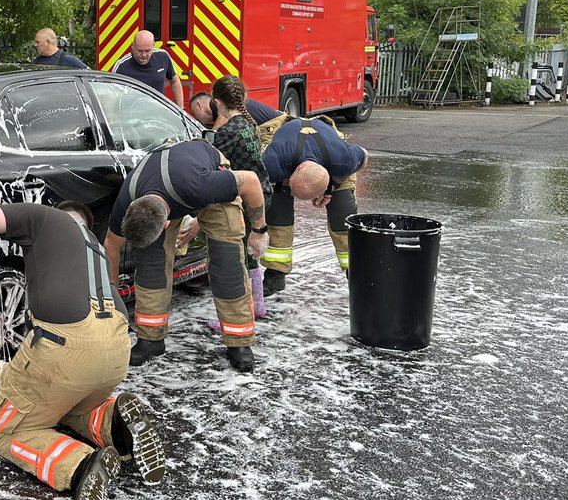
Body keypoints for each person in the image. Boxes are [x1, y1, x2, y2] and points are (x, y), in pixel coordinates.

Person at [0, 201, 166, 500]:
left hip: (66, 347)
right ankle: (116, 425)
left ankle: (81, 467)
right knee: (65, 405)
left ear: (58, 211)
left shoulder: (41, 217)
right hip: (117, 348)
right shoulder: (96, 248)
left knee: (5, 431)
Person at [103, 140, 268, 372]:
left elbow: (250, 181)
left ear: (168, 224)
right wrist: (112, 299)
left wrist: (260, 231)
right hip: (168, 178)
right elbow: (111, 244)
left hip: (204, 171)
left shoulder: (204, 185)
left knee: (226, 258)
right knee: (151, 262)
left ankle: (239, 341)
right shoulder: (128, 198)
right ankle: (150, 339)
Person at [249, 100, 369, 297]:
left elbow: (364, 156)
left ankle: (357, 276)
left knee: (343, 218)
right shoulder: (272, 163)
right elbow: (250, 182)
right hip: (288, 147)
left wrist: (332, 187)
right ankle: (275, 274)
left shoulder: (344, 158)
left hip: (329, 160)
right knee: (278, 214)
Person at [189, 80, 273, 321]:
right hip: (263, 192)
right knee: (249, 256)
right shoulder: (248, 123)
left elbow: (214, 163)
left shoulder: (228, 131)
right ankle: (257, 305)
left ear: (217, 102)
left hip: (246, 197)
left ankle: (240, 312)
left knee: (237, 259)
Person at [112, 30, 184, 107]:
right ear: (132, 46)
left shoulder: (163, 57)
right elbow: (111, 94)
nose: (144, 55)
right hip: (132, 114)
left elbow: (175, 81)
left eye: (147, 51)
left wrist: (180, 108)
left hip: (157, 111)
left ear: (153, 45)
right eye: (140, 51)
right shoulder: (122, 66)